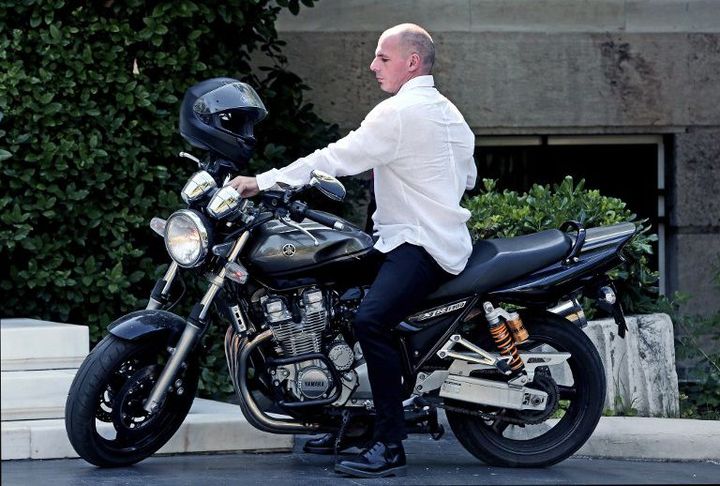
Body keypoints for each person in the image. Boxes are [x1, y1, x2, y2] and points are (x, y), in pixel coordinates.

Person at [228, 23, 476, 478]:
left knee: (370, 321)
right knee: (330, 294)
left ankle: (389, 444)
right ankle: (350, 418)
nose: (372, 65)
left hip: (420, 243)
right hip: (410, 237)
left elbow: (336, 157)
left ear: (412, 62)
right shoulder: (448, 113)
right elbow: (465, 178)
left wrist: (262, 182)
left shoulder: (398, 113)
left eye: (383, 57)